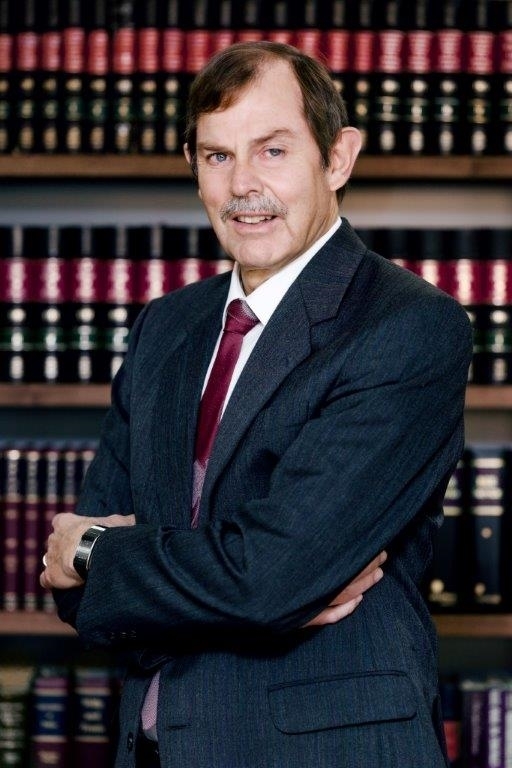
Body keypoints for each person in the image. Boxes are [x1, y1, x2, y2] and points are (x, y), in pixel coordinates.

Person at [41, 41, 472, 768]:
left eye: (273, 151)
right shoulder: (165, 327)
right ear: (193, 166)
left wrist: (102, 554)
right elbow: (75, 594)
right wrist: (242, 582)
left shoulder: (407, 326)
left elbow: (268, 577)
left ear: (337, 158)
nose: (243, 184)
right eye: (218, 156)